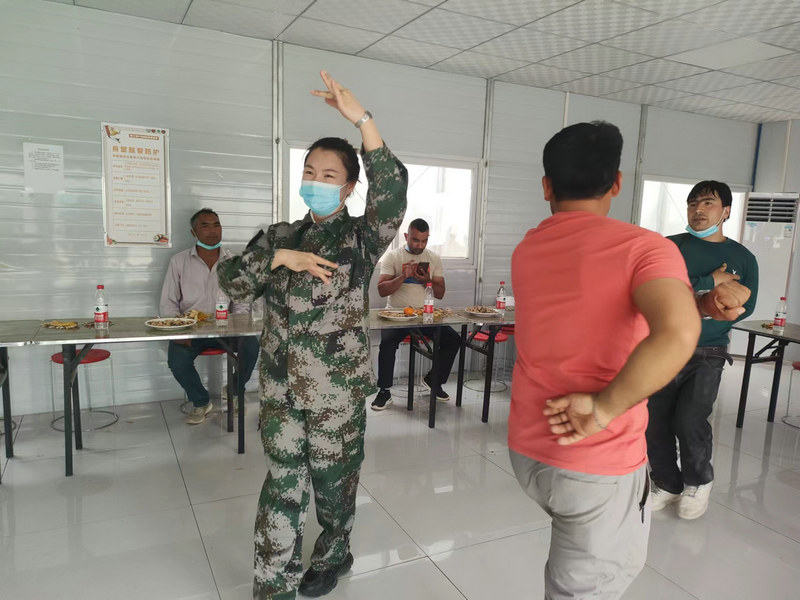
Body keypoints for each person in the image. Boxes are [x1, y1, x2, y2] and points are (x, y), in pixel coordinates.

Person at [217, 70, 407, 600]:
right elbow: (232, 280)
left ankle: (333, 553)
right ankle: (272, 587)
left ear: (347, 187)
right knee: (282, 486)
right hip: (281, 390)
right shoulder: (279, 236)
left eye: (328, 175)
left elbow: (392, 193)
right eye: (308, 172)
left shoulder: (362, 238)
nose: (315, 182)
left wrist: (361, 119)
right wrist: (281, 257)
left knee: (333, 486)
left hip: (335, 396)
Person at [508, 121, 703, 599]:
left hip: (529, 448)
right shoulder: (645, 248)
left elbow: (594, 307)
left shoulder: (529, 247)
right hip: (594, 455)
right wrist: (602, 409)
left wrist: (697, 302)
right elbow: (677, 333)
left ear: (547, 186)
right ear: (617, 183)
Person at [647, 181, 758, 520]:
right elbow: (655, 289)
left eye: (708, 203)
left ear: (726, 211)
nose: (698, 209)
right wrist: (710, 283)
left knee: (690, 419)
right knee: (655, 421)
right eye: (692, 202)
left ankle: (698, 480)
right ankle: (666, 482)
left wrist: (710, 304)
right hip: (663, 344)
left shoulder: (742, 257)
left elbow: (746, 305)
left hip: (709, 350)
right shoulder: (668, 247)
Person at [160, 208, 260, 425]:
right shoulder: (179, 261)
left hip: (226, 328)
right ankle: (201, 401)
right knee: (177, 360)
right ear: (193, 232)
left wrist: (237, 327)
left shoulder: (234, 262)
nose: (212, 230)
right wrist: (179, 331)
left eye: (216, 225)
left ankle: (234, 390)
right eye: (205, 226)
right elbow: (168, 302)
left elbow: (242, 302)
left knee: (251, 346)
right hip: (191, 329)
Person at [371, 218, 462, 410]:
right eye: (415, 240)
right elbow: (382, 290)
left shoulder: (433, 258)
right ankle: (384, 391)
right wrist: (403, 276)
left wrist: (426, 280)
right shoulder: (393, 257)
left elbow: (440, 293)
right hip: (396, 315)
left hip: (424, 315)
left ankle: (433, 380)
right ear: (406, 236)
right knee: (387, 343)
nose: (419, 245)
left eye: (424, 241)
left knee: (453, 339)